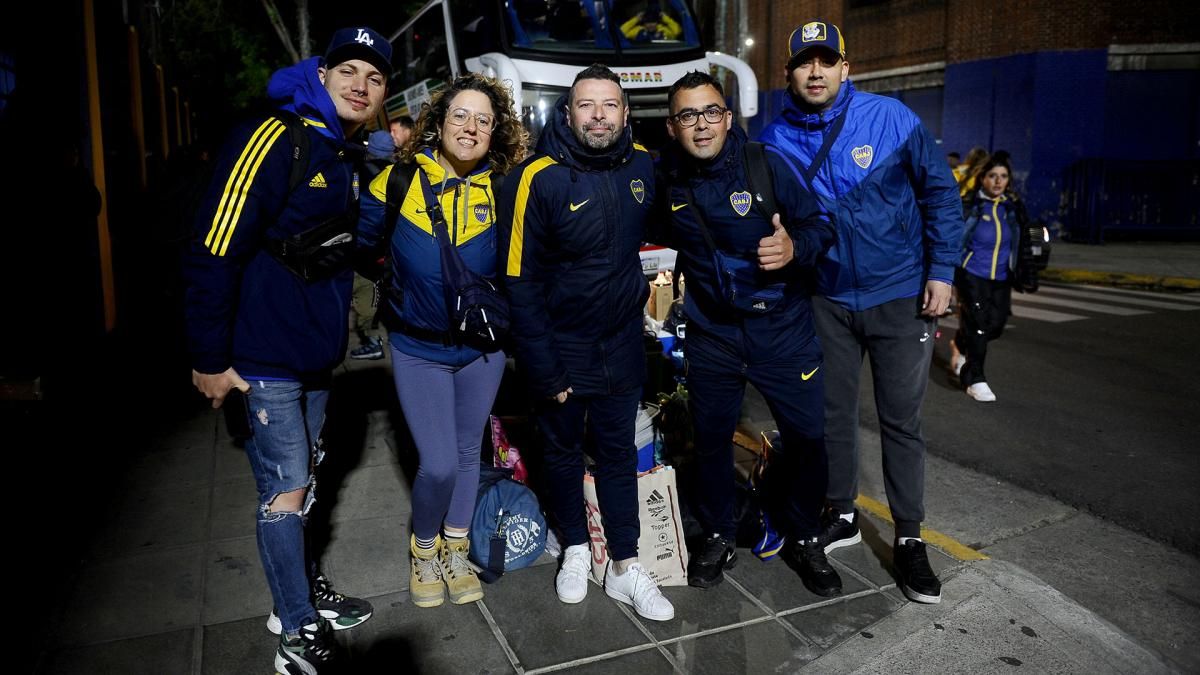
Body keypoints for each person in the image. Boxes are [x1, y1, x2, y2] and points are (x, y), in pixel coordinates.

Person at [184, 26, 390, 674]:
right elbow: (214, 247)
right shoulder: (274, 138)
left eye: (375, 76)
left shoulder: (343, 152)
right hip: (263, 356)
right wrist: (210, 356)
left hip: (314, 356)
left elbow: (346, 252)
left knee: (308, 480)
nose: (361, 84)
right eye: (348, 69)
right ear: (321, 75)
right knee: (285, 489)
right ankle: (295, 627)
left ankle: (297, 589)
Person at [759, 20, 962, 605]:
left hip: (899, 293)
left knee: (901, 421)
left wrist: (942, 271)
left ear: (847, 67)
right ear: (790, 73)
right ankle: (843, 512)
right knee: (832, 418)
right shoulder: (773, 142)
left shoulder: (893, 119)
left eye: (827, 61)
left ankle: (908, 538)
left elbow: (940, 194)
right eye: (804, 63)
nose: (816, 71)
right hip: (825, 299)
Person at [497, 64, 675, 621]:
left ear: (625, 112)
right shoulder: (536, 177)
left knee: (621, 453)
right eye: (586, 104)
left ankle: (624, 565)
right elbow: (519, 282)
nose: (599, 115)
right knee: (563, 453)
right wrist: (543, 367)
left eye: (610, 105)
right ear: (567, 112)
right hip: (562, 346)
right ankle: (576, 548)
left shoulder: (643, 164)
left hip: (622, 343)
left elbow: (676, 223)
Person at [655, 71, 840, 596]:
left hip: (783, 332)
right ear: (673, 127)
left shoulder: (766, 164)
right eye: (688, 115)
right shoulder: (667, 181)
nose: (702, 124)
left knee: (806, 442)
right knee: (711, 442)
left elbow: (820, 226)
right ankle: (717, 534)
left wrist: (793, 249)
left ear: (728, 118)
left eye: (711, 111)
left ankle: (805, 537)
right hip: (713, 337)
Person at [357, 73, 529, 609]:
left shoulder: (505, 187)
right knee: (438, 463)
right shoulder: (400, 180)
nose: (471, 127)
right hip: (418, 347)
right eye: (461, 114)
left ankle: (456, 551)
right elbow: (361, 244)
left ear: (495, 130)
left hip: (484, 349)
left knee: (465, 450)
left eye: (483, 119)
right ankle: (424, 547)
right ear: (440, 120)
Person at [950, 152, 1028, 402]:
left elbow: (1022, 241)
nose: (998, 181)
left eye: (1003, 176)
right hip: (972, 274)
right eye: (993, 176)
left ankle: (960, 343)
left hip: (1001, 277)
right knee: (979, 328)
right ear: (982, 178)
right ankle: (975, 379)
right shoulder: (970, 206)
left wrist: (1026, 271)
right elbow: (954, 239)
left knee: (995, 325)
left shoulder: (1012, 207)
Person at [348, 130, 397, 361]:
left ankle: (372, 341)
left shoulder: (361, 173)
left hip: (367, 249)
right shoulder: (398, 175)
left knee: (365, 292)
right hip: (392, 249)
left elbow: (366, 218)